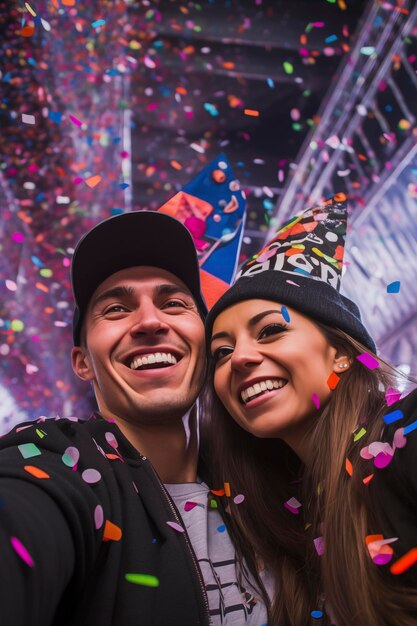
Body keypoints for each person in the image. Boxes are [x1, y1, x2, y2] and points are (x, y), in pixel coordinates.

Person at [0, 210, 271, 626]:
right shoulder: (60, 462)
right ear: (83, 362)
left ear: (206, 339)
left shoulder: (266, 482)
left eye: (174, 303)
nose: (149, 321)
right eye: (115, 309)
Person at [204, 194, 417, 626]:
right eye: (221, 352)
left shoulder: (408, 439)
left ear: (340, 352)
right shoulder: (282, 522)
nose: (239, 358)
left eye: (270, 330)